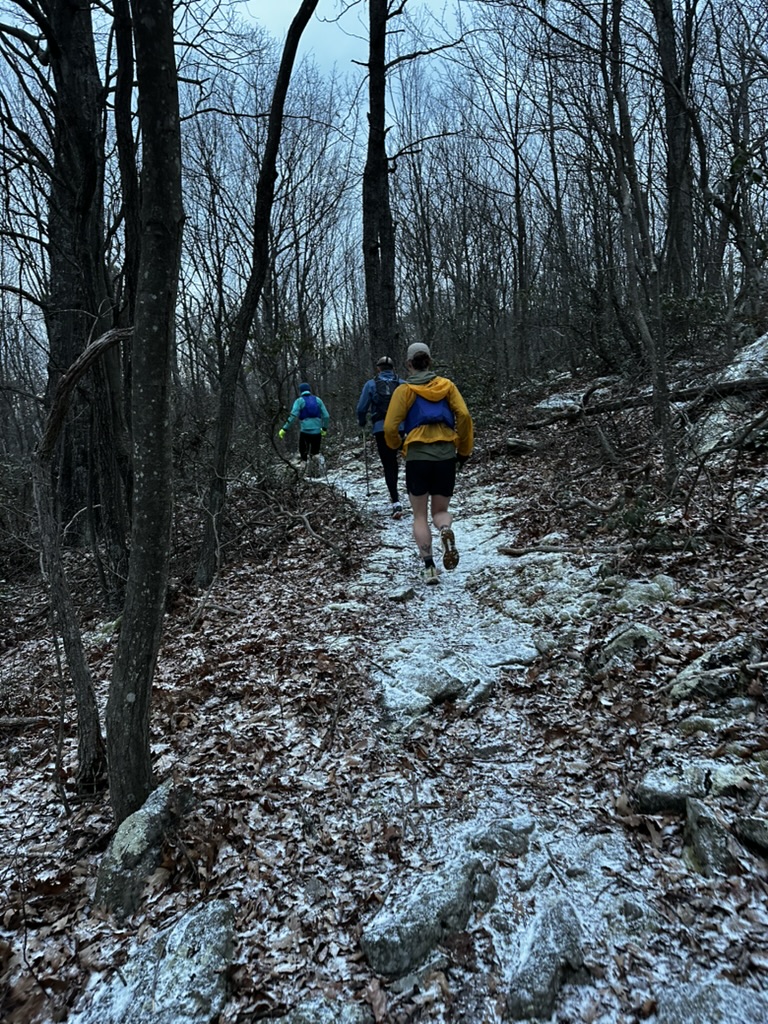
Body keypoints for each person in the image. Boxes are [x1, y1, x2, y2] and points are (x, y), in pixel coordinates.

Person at [383, 342, 473, 584]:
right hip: (445, 454)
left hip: (417, 456)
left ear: (409, 364)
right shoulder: (447, 386)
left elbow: (391, 426)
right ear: (430, 362)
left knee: (419, 515)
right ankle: (445, 530)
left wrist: (396, 445)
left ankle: (429, 567)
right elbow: (463, 415)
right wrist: (463, 449)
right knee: (440, 511)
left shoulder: (404, 391)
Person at [356, 356, 405, 518]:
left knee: (389, 463)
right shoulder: (402, 383)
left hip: (381, 429)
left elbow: (362, 408)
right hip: (401, 428)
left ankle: (396, 501)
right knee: (406, 459)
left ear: (379, 368)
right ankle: (417, 495)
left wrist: (362, 422)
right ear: (393, 368)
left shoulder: (371, 385)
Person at [278, 382, 330, 474]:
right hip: (317, 432)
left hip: (305, 432)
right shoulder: (318, 400)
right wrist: (324, 428)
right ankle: (321, 472)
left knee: (304, 455)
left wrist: (284, 428)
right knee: (315, 453)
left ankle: (304, 475)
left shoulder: (299, 401)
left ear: (300, 391)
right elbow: (326, 416)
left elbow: (293, 416)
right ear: (309, 390)